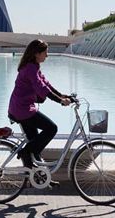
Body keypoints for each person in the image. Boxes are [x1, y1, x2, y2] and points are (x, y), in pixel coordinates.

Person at [8, 39, 72, 170]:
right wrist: (60, 100)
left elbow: (46, 84)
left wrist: (62, 95)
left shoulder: (33, 66)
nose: (47, 55)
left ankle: (34, 175)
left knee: (35, 143)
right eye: (45, 52)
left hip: (21, 108)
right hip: (23, 110)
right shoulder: (30, 68)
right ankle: (25, 153)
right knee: (51, 128)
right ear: (37, 53)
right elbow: (42, 88)